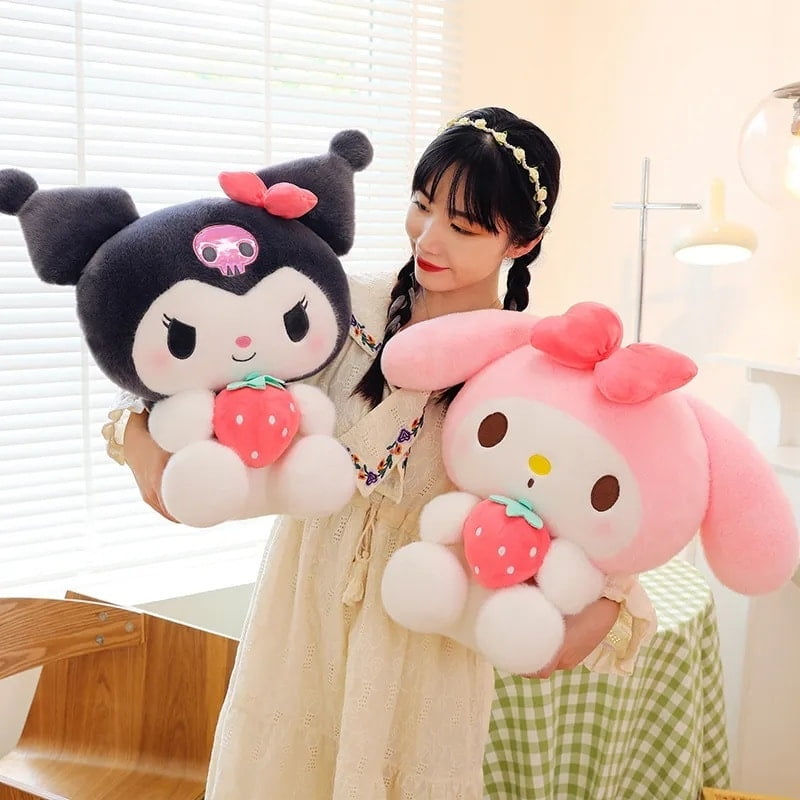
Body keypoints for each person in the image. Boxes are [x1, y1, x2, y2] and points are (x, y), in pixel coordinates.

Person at [115, 107, 655, 799]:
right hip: (300, 621)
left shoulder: (530, 375)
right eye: (422, 205)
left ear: (523, 242)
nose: (429, 238)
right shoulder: (337, 308)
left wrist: (601, 604)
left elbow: (601, 512)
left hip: (422, 653)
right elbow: (189, 369)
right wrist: (141, 442)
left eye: (464, 226)